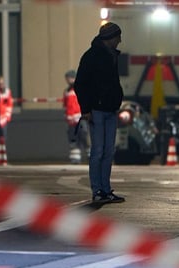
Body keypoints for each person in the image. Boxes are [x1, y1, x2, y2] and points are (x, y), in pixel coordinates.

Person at [74, 21, 125, 203]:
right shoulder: (92, 56)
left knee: (108, 151)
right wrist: (86, 109)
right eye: (118, 37)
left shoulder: (110, 55)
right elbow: (80, 84)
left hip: (109, 108)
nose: (120, 40)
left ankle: (105, 189)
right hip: (97, 110)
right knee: (98, 151)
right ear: (110, 38)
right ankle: (98, 190)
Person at [63, 69, 88, 164]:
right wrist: (67, 116)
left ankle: (91, 156)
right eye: (67, 78)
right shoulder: (67, 91)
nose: (68, 80)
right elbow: (66, 105)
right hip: (71, 120)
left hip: (80, 118)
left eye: (69, 78)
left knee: (84, 137)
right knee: (73, 139)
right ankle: (75, 158)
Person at [0, 74, 13, 139]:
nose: (1, 85)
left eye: (2, 83)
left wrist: (7, 117)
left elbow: (9, 105)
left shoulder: (7, 92)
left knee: (3, 139)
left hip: (3, 120)